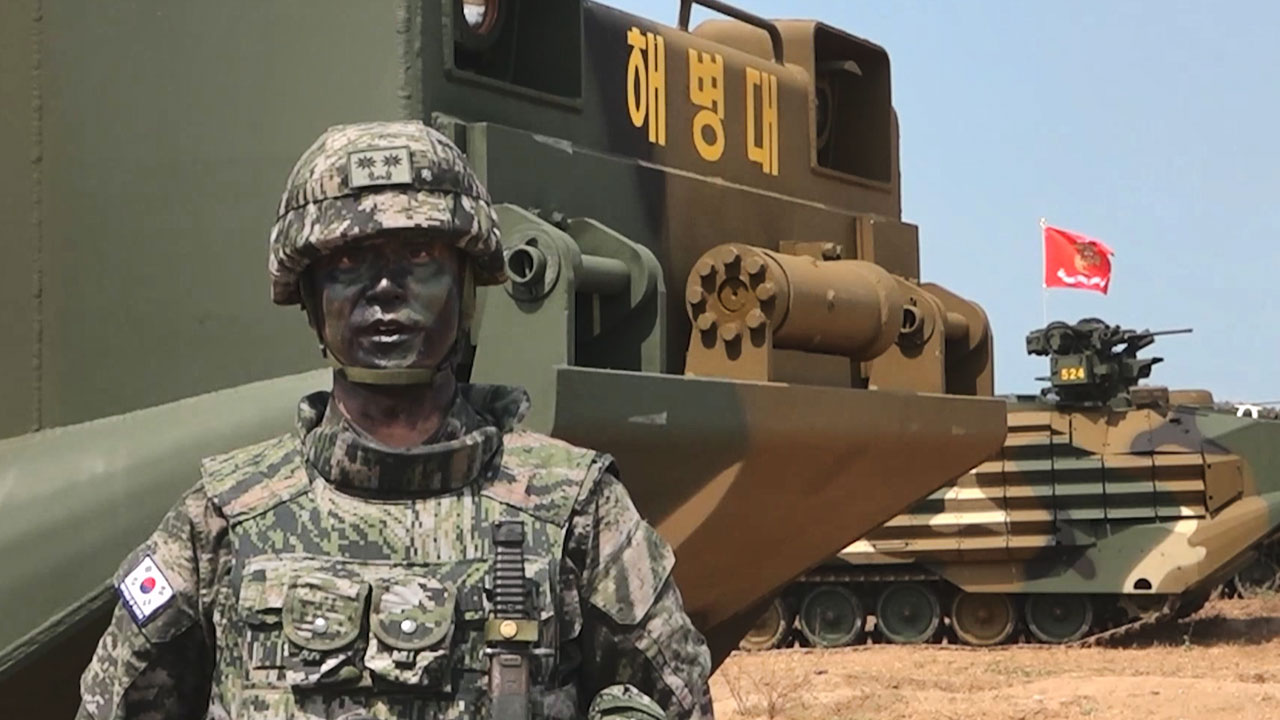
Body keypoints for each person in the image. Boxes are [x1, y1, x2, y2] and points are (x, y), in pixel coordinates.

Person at [76, 120, 714, 720]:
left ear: (465, 288)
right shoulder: (220, 520)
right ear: (310, 296)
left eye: (419, 254)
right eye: (349, 261)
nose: (385, 288)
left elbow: (677, 699)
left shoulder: (575, 511)